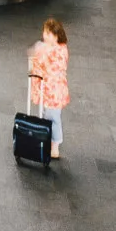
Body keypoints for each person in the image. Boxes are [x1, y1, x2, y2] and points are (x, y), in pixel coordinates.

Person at [27, 19, 71, 160]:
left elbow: (52, 69)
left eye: (48, 33)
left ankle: (55, 145)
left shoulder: (59, 51)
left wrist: (38, 58)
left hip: (54, 91)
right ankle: (49, 139)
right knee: (48, 115)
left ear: (56, 36)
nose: (44, 35)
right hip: (48, 90)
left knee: (53, 117)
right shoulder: (47, 47)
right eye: (44, 32)